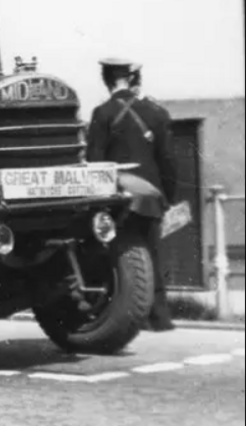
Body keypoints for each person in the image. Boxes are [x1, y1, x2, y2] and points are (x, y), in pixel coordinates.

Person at [86, 57, 178, 331]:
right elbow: (168, 161)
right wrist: (167, 197)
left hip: (116, 199)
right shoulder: (155, 113)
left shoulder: (102, 114)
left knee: (117, 256)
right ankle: (159, 318)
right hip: (150, 197)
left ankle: (122, 315)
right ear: (133, 79)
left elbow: (94, 162)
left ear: (106, 79)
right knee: (151, 252)